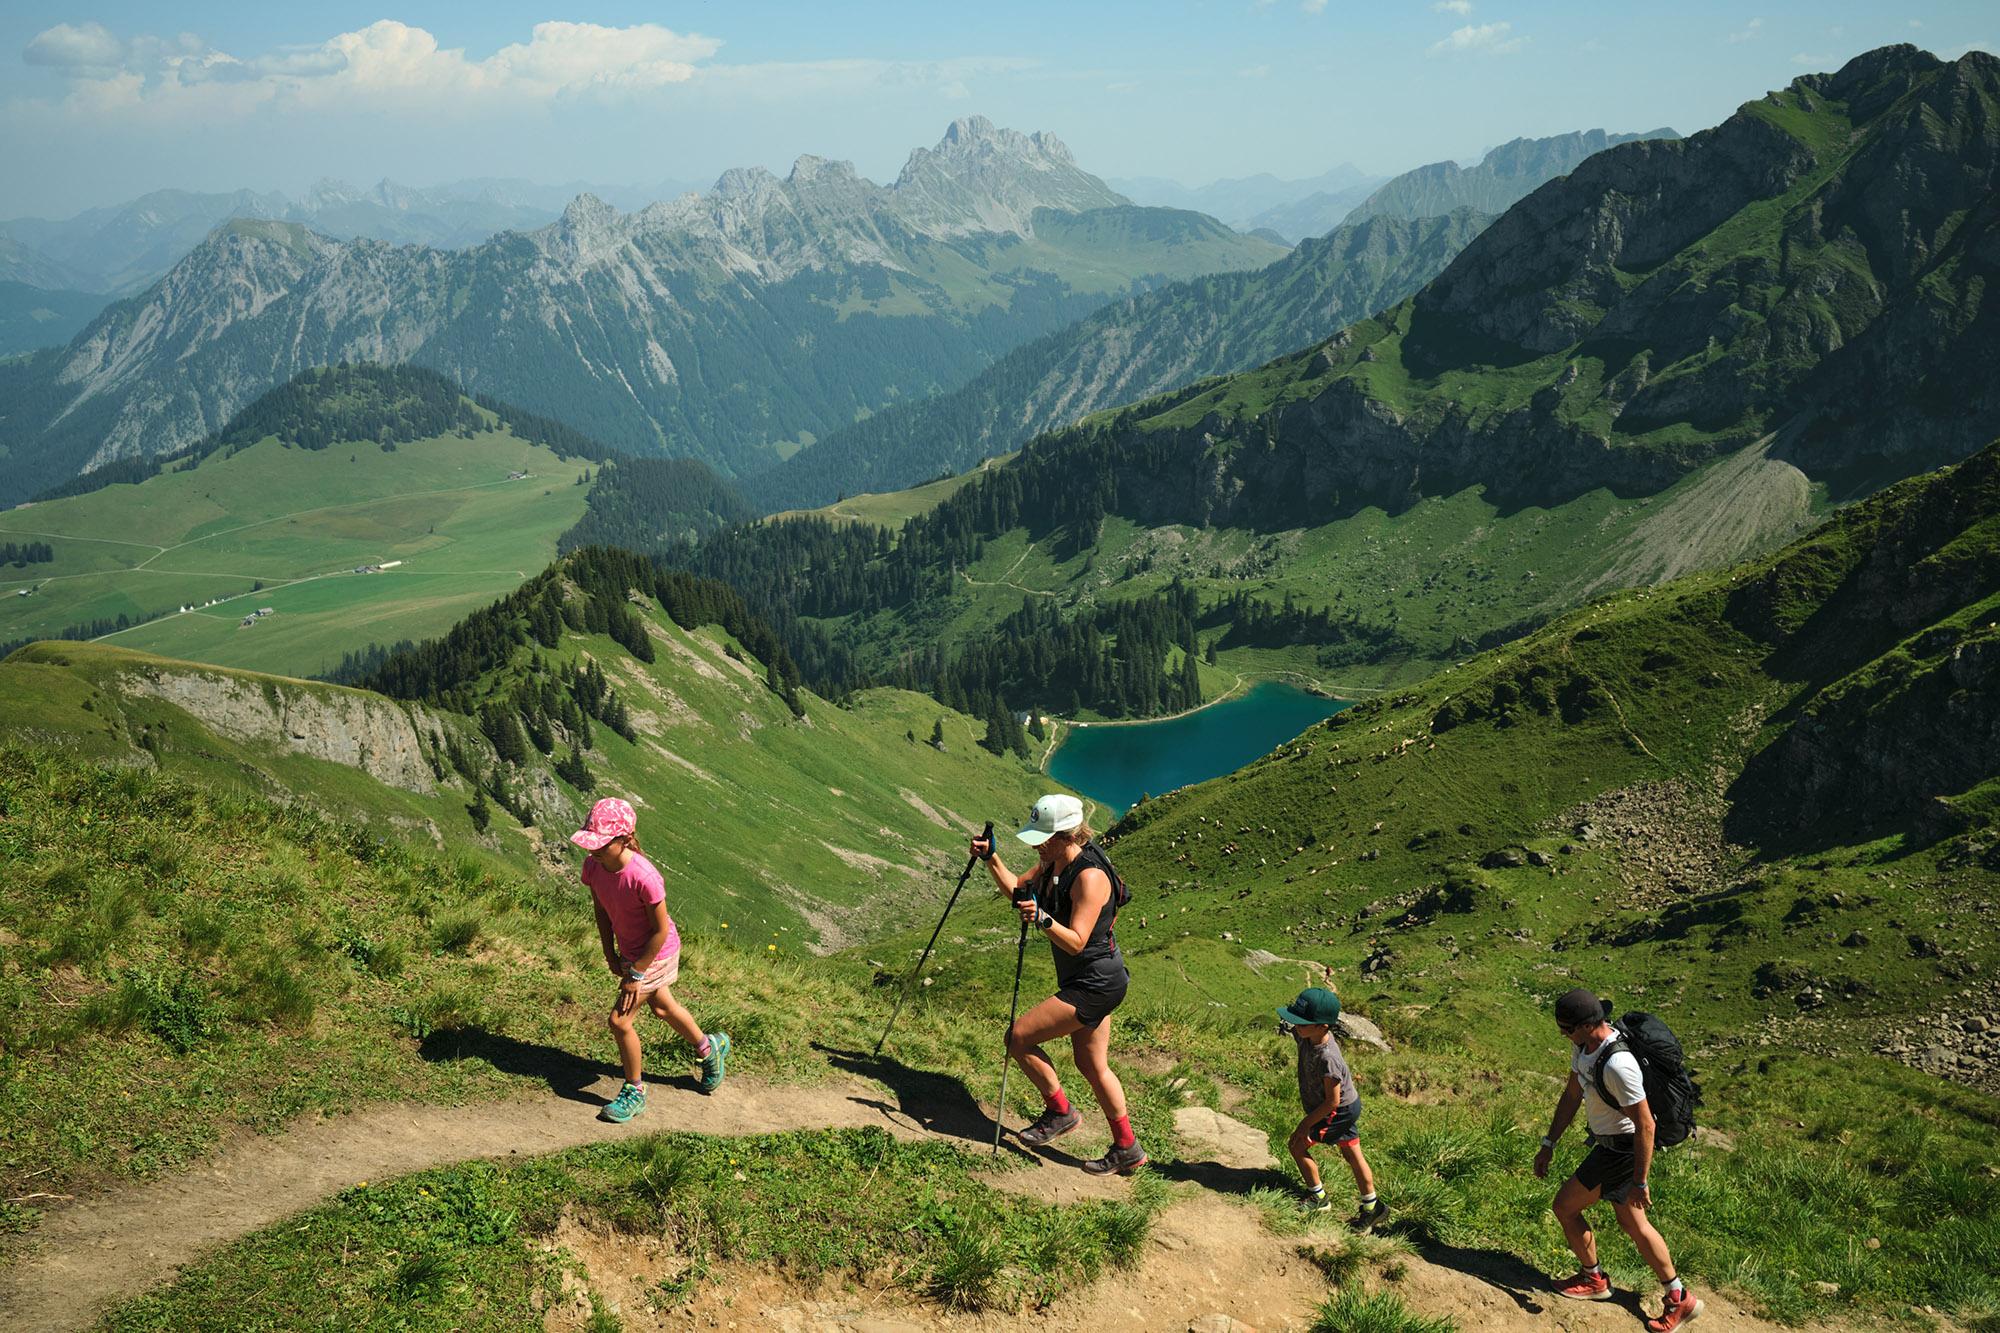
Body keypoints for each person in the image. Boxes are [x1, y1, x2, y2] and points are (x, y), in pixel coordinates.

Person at [972, 793, 1144, 1175]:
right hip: (1094, 979)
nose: (1037, 844)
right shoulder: (1052, 860)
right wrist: (991, 859)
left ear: (1068, 835)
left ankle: (1060, 1111)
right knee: (1091, 1064)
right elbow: (1018, 890)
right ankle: (1128, 1147)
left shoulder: (1090, 878)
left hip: (1095, 982)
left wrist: (1043, 920)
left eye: (1043, 838)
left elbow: (1078, 940)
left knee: (1018, 1038)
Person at [1535, 988, 1702, 1331]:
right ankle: (1678, 1296)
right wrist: (1549, 1142)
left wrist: (1640, 1181)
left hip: (1621, 1151)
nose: (1562, 1034)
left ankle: (1594, 1280)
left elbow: (1646, 1124)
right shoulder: (1583, 1048)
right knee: (1634, 1224)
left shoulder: (1617, 1065)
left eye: (1566, 1028)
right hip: (1612, 1147)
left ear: (1585, 1025)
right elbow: (1571, 1094)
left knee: (1565, 1206)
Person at [571, 797, 729, 1122]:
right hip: (632, 953)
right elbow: (601, 908)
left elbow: (659, 931)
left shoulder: (644, 877)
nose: (593, 851)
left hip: (656, 953)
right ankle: (709, 1048)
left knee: (620, 1021)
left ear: (625, 840)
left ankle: (635, 1091)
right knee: (662, 1007)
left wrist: (636, 973)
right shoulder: (594, 867)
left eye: (601, 845)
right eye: (592, 844)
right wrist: (609, 951)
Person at [1278, 987, 1386, 1227]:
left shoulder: (1328, 1058)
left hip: (1337, 1110)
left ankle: (1319, 1198)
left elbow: (1332, 1101)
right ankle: (1372, 1206)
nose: (1296, 1026)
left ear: (1323, 1026)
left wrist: (1305, 1125)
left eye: (1303, 1023)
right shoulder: (1308, 1035)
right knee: (1351, 1153)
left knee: (1296, 1145)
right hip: (1348, 1105)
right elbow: (1293, 1024)